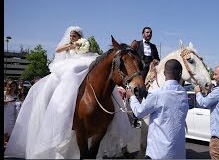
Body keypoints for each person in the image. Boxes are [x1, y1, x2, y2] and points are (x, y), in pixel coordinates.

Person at [5, 26, 133, 159]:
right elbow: (58, 50)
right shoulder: (67, 44)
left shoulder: (84, 42)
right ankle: (64, 106)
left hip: (84, 60)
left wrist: (81, 46)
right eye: (71, 35)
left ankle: (113, 103)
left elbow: (86, 51)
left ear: (79, 36)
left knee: (97, 75)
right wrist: (71, 46)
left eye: (74, 35)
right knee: (72, 73)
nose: (72, 37)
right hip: (69, 63)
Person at [126, 59, 189, 159]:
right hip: (179, 153)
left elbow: (139, 112)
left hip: (158, 153)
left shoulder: (157, 94)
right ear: (180, 74)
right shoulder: (184, 93)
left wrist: (132, 97)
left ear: (164, 73)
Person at [4, 80, 20, 148]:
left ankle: (8, 145)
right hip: (6, 112)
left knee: (12, 129)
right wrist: (9, 101)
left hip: (14, 113)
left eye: (14, 86)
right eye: (12, 86)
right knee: (6, 128)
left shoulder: (17, 94)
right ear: (9, 86)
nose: (13, 87)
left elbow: (19, 102)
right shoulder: (5, 93)